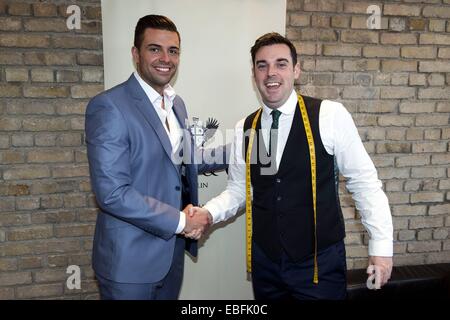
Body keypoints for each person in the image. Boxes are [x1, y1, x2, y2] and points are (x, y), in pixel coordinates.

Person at [188, 32, 393, 300]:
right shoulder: (245, 128)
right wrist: (208, 213)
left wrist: (381, 247)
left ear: (296, 70)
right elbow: (240, 190)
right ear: (254, 74)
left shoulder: (329, 115)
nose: (271, 72)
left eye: (281, 63)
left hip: (319, 267)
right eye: (262, 65)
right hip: (266, 266)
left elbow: (364, 183)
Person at [85, 15, 226, 300]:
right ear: (136, 53)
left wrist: (243, 149)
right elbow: (112, 193)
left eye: (173, 50)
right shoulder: (109, 106)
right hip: (129, 265)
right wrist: (181, 221)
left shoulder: (177, 104)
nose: (166, 58)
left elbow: (184, 159)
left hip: (170, 255)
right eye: (154, 49)